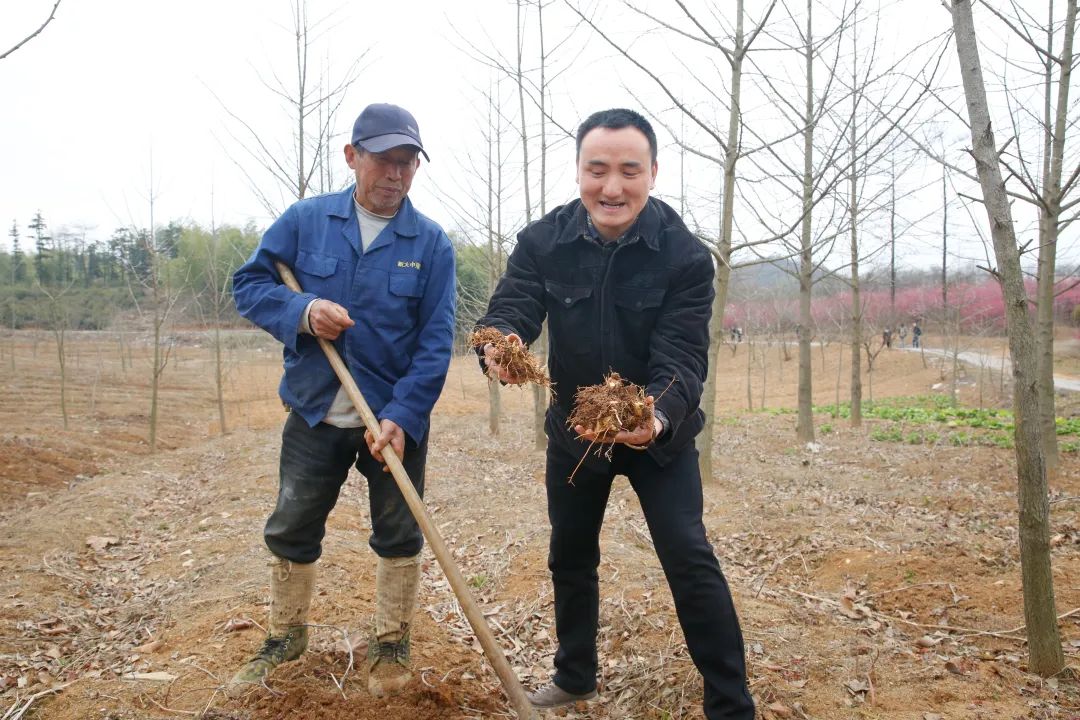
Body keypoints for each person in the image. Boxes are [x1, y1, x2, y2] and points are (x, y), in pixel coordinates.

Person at [475, 108, 754, 719]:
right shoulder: (542, 242)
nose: (612, 187)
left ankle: (731, 704)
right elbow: (512, 307)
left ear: (653, 172)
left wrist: (654, 417)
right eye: (596, 170)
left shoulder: (682, 256)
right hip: (575, 434)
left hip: (658, 439)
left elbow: (682, 354)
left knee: (688, 553)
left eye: (629, 171)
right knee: (570, 554)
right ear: (578, 171)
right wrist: (500, 345)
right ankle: (575, 675)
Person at [227, 103, 456, 698]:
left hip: (393, 420)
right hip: (315, 409)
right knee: (294, 522)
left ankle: (391, 640)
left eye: (408, 164)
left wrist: (403, 415)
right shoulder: (305, 222)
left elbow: (435, 343)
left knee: (400, 531)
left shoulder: (430, 244)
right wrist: (301, 312)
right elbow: (249, 285)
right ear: (352, 157)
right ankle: (286, 636)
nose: (396, 175)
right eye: (384, 161)